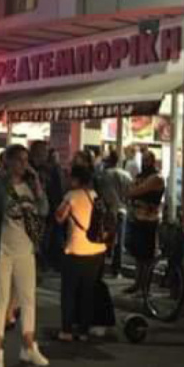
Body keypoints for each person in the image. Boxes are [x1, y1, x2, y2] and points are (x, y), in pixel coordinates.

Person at [0, 144, 50, 367]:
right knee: (2, 301)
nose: (23, 164)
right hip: (3, 250)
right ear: (8, 161)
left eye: (26, 160)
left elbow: (44, 210)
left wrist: (37, 184)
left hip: (26, 250)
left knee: (28, 300)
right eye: (19, 159)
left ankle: (29, 346)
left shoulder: (30, 185)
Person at [55, 162, 108, 341]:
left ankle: (67, 330)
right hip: (97, 251)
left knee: (69, 292)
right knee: (88, 293)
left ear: (76, 180)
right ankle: (84, 331)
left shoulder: (71, 196)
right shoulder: (96, 196)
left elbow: (59, 217)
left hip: (75, 250)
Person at [126, 150, 166, 296]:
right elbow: (130, 190)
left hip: (149, 220)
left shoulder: (156, 178)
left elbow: (134, 191)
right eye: (143, 160)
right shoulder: (141, 176)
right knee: (138, 255)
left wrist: (135, 189)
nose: (144, 163)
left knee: (147, 256)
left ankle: (144, 288)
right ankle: (137, 283)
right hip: (137, 218)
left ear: (153, 161)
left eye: (147, 160)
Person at [30, 140, 64, 271]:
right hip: (31, 211)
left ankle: (41, 264)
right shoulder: (28, 170)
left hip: (46, 211)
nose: (45, 154)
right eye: (43, 151)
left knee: (44, 240)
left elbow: (57, 191)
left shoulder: (51, 170)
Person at [100, 150, 133, 278]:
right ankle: (116, 269)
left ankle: (100, 267)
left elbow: (102, 193)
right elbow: (130, 192)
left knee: (105, 239)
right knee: (120, 241)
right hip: (122, 210)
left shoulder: (105, 175)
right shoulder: (126, 175)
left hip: (109, 210)